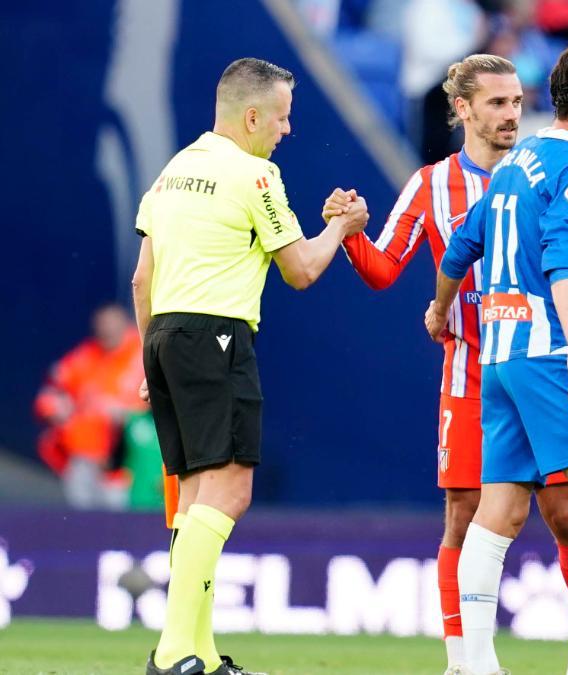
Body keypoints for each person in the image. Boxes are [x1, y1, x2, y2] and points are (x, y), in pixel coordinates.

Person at [328, 53, 568, 674]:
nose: (511, 113)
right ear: (462, 109)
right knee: (467, 514)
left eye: (516, 101)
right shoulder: (434, 184)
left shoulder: (533, 166)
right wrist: (352, 234)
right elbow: (384, 268)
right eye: (496, 103)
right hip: (477, 366)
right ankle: (466, 659)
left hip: (534, 355)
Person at [131, 57, 369, 675]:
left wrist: (146, 360)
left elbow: (141, 279)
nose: (287, 131)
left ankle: (201, 657)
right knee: (231, 491)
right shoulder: (256, 177)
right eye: (284, 119)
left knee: (192, 499)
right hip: (217, 335)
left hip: (162, 336)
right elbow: (301, 270)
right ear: (254, 115)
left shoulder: (173, 172)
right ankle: (173, 652)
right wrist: (340, 228)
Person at [425, 40, 568, 675]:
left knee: (501, 510)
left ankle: (474, 661)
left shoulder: (516, 165)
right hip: (548, 352)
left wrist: (441, 310)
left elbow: (462, 245)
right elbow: (561, 257)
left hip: (496, 357)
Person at [34, 304, 145, 510]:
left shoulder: (143, 353)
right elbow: (47, 397)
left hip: (130, 459)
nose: (108, 332)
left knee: (121, 518)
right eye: (103, 327)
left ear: (127, 324)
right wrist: (57, 408)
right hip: (84, 457)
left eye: (114, 327)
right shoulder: (84, 357)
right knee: (82, 519)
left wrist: (128, 412)